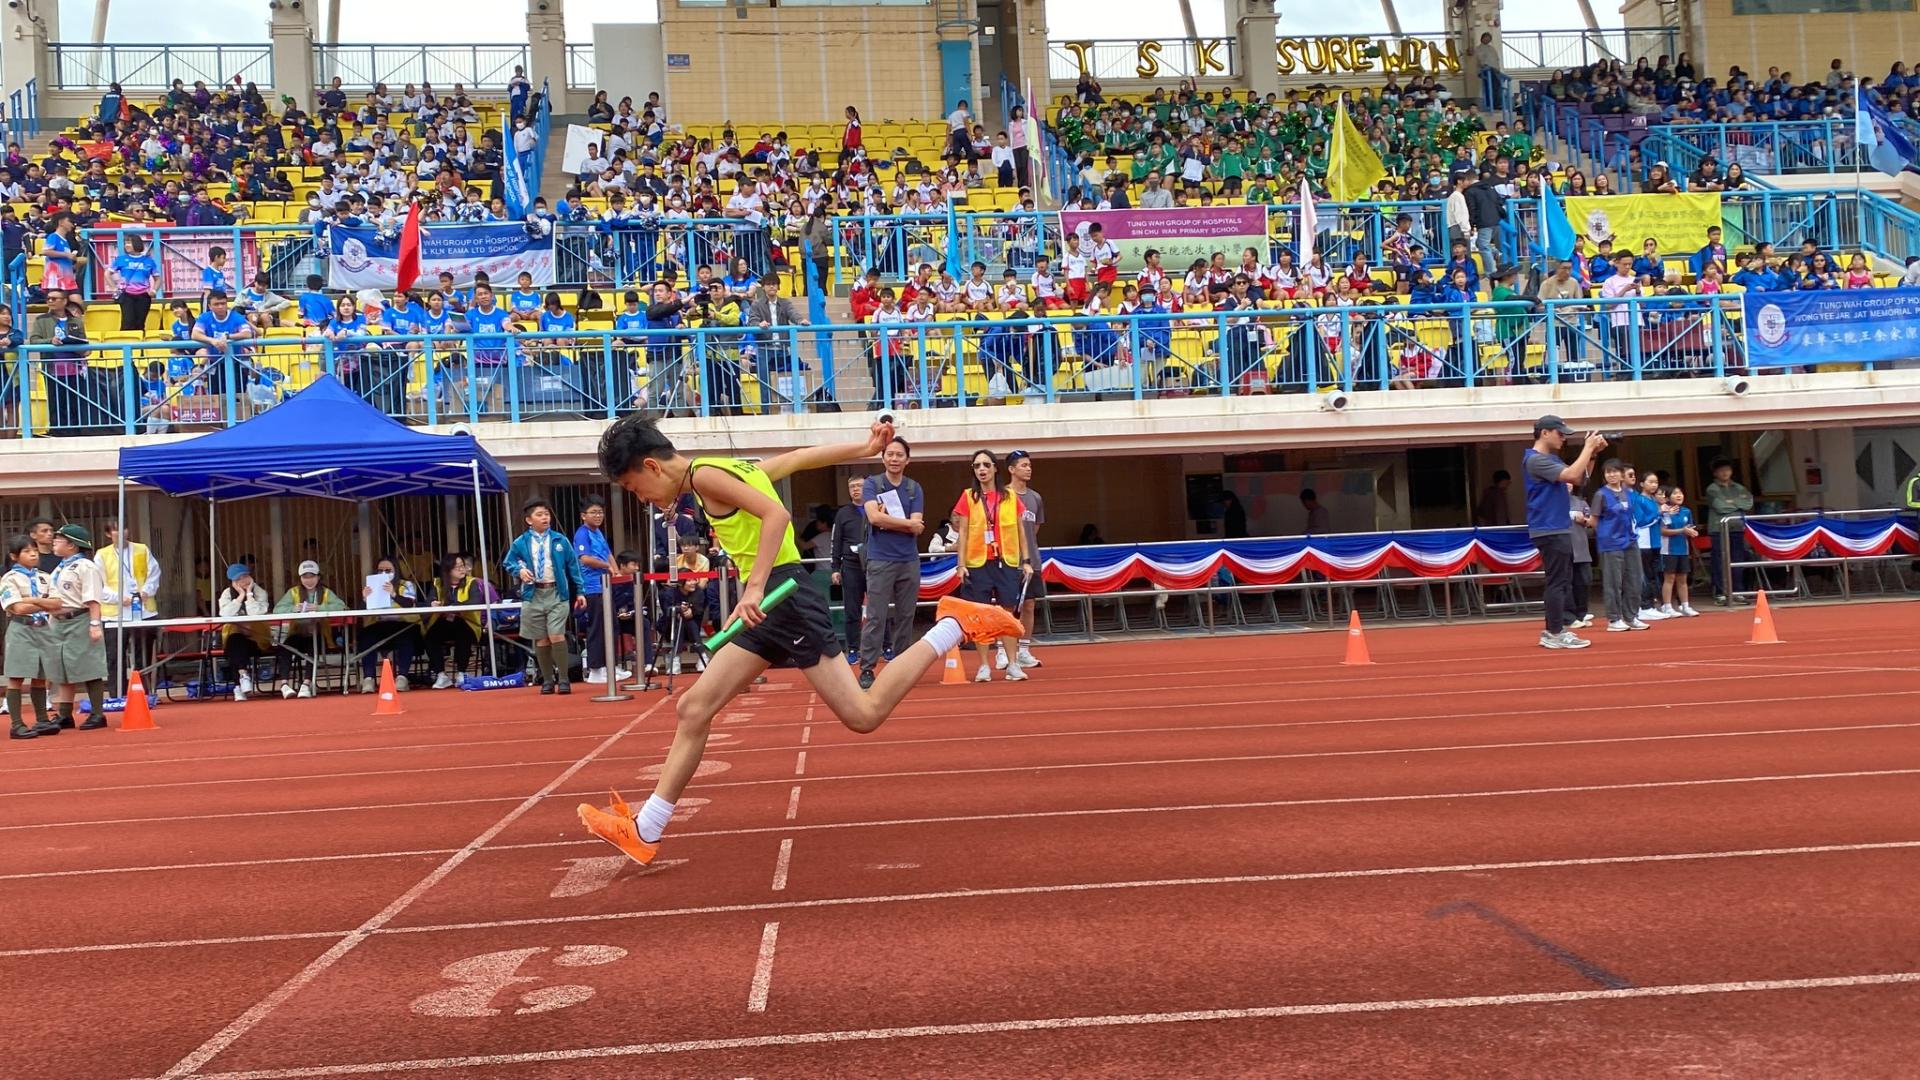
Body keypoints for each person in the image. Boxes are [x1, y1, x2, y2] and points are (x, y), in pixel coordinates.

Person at [576, 414, 1024, 868]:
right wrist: (863, 449)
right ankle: (646, 829)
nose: (642, 499)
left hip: (782, 596)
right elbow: (796, 459)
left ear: (652, 466)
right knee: (693, 708)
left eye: (633, 488)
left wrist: (754, 588)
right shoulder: (721, 469)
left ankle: (952, 624)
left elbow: (777, 514)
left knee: (863, 714)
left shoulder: (707, 477)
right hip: (769, 602)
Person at [1523, 416, 1607, 650]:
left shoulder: (1548, 459)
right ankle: (1554, 631)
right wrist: (1587, 448)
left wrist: (1591, 455)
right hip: (1550, 527)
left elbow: (1578, 477)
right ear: (1545, 433)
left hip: (1555, 526)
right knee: (1558, 582)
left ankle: (1556, 630)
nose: (1563, 438)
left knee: (1560, 581)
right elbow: (1571, 475)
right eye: (1560, 434)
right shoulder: (1535, 460)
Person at [950, 450, 1030, 683]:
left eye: (986, 464)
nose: (982, 469)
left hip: (1006, 561)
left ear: (995, 468)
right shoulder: (968, 496)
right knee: (980, 615)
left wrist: (1026, 561)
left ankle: (1012, 664)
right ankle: (984, 665)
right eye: (977, 466)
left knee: (1007, 614)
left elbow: (1020, 531)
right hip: (977, 563)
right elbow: (963, 532)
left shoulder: (1010, 496)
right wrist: (960, 564)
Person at [857, 435, 925, 691]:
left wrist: (893, 523)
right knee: (876, 616)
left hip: (908, 559)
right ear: (883, 458)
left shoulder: (914, 488)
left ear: (907, 460)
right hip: (880, 559)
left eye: (899, 455)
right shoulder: (872, 484)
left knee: (906, 616)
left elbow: (918, 527)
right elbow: (874, 518)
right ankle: (867, 667)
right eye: (890, 454)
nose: (894, 459)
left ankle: (901, 666)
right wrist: (907, 524)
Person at [503, 497, 587, 694]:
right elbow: (508, 562)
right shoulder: (521, 542)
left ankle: (564, 679)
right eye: (539, 515)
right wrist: (519, 571)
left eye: (547, 514)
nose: (545, 518)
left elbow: (573, 567)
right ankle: (547, 679)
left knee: (556, 634)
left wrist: (580, 591)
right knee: (541, 638)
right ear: (529, 520)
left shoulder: (560, 540)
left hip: (556, 593)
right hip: (533, 594)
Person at [48, 525, 109, 729]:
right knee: (62, 668)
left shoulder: (86, 566)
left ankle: (97, 713)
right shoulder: (61, 567)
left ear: (72, 545)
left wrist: (94, 624)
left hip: (79, 618)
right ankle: (65, 714)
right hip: (59, 622)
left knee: (89, 665)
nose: (54, 541)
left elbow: (93, 598)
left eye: (59, 539)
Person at [3, 534, 63, 739]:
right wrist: (43, 602)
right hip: (22, 628)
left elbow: (57, 604)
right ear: (14, 556)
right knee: (17, 676)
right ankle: (17, 724)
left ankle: (42, 720)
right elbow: (18, 608)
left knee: (41, 676)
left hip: (42, 628)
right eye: (27, 551)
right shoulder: (10, 579)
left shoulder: (44, 577)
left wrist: (32, 600)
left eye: (35, 551)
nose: (33, 555)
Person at [1590, 461, 1649, 632]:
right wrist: (1605, 534)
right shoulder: (1601, 494)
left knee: (1635, 579)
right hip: (1611, 543)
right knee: (1613, 582)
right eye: (1608, 472)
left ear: (1622, 474)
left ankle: (1631, 616)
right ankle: (1614, 618)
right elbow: (1594, 521)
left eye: (1615, 471)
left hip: (1630, 540)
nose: (1611, 475)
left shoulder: (1627, 493)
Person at [273, 560, 346, 698]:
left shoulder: (326, 592)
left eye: (312, 576)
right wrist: (293, 608)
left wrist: (319, 608)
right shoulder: (293, 592)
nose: (309, 580)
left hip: (318, 634)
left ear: (318, 577)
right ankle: (284, 684)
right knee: (285, 647)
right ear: (300, 578)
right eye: (305, 577)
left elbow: (341, 606)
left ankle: (306, 683)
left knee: (313, 648)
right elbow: (277, 609)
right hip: (297, 633)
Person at [97, 519, 161, 675]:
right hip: (115, 614)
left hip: (144, 610)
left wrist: (146, 591)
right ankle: (117, 690)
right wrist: (119, 598)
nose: (121, 532)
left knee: (144, 656)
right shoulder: (102, 555)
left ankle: (143, 688)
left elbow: (154, 573)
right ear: (108, 534)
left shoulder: (141, 549)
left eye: (123, 528)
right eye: (115, 530)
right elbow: (98, 585)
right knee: (115, 658)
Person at [424, 554, 498, 688]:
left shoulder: (472, 582)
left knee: (462, 631)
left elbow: (474, 601)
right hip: (443, 622)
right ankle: (441, 675)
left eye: (462, 566)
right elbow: (429, 600)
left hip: (468, 623)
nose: (461, 569)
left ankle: (461, 673)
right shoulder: (437, 583)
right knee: (429, 636)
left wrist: (453, 606)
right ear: (447, 570)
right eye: (457, 567)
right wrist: (433, 603)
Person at [1001, 450, 1045, 671]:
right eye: (1023, 465)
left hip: (1031, 561)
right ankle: (1002, 651)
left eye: (1029, 465)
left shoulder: (1035, 498)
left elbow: (1033, 529)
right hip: (1007, 560)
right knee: (1006, 607)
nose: (1028, 469)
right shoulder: (1002, 496)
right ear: (1011, 469)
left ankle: (1024, 650)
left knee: (1029, 605)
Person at [575, 498, 624, 685]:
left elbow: (608, 553)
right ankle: (595, 669)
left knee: (611, 626)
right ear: (583, 516)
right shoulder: (582, 534)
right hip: (592, 587)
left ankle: (610, 666)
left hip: (606, 585)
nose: (598, 516)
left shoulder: (598, 532)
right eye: (594, 512)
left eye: (600, 512)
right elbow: (585, 559)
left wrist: (616, 570)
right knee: (597, 628)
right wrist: (607, 567)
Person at [359, 556, 422, 693]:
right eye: (380, 570)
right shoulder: (371, 586)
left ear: (396, 570)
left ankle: (402, 677)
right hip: (380, 624)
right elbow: (360, 612)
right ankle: (368, 678)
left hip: (402, 623)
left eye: (388, 570)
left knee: (406, 635)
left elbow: (410, 604)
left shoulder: (406, 585)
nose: (383, 573)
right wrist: (364, 599)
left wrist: (393, 594)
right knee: (366, 636)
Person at [217, 563, 271, 700]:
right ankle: (243, 676)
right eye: (238, 579)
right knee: (235, 641)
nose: (243, 581)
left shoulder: (260, 592)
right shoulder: (227, 594)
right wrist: (240, 596)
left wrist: (249, 594)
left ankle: (238, 686)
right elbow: (225, 614)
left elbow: (255, 613)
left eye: (245, 576)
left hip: (257, 639)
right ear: (233, 582)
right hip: (236, 638)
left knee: (234, 646)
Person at [1704, 458, 1755, 604]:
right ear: (1715, 473)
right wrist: (1737, 504)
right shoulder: (1712, 489)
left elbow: (1748, 503)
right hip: (1718, 529)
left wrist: (1732, 503)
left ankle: (1738, 591)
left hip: (1737, 527)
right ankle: (1721, 592)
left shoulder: (1739, 487)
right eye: (1721, 470)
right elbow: (1720, 507)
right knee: (1720, 561)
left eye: (1727, 470)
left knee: (1738, 560)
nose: (1725, 473)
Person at [830, 476, 869, 665]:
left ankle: (887, 646)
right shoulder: (843, 513)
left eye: (859, 485)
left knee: (880, 608)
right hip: (851, 565)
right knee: (852, 609)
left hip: (875, 564)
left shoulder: (876, 508)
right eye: (852, 486)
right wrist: (835, 567)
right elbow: (836, 541)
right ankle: (853, 648)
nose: (855, 489)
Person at [1659, 485, 1701, 617]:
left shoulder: (1686, 511)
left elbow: (1689, 527)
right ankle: (1667, 606)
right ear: (1667, 498)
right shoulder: (1665, 512)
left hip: (1683, 549)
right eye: (1675, 493)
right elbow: (1663, 531)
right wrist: (1682, 530)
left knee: (1683, 579)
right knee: (1669, 578)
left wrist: (1692, 532)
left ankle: (1685, 606)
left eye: (1680, 493)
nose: (1679, 495)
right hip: (1668, 550)